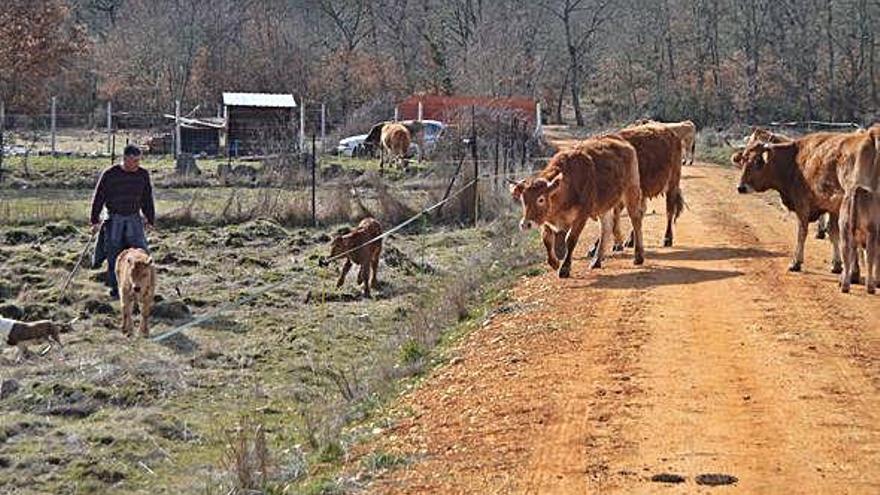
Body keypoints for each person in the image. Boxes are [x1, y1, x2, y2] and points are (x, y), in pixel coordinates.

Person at [90, 145, 155, 298]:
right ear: (125, 159)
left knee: (141, 252)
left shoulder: (142, 175)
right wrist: (94, 219)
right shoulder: (110, 174)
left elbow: (147, 198)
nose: (137, 164)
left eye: (139, 161)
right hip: (115, 218)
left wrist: (150, 218)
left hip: (134, 217)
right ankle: (116, 287)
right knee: (114, 253)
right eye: (134, 161)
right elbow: (99, 197)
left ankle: (144, 286)